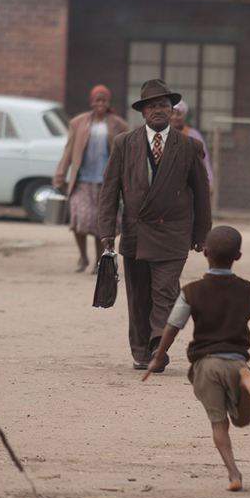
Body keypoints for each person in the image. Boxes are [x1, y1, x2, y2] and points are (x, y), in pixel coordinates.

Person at [142, 226, 250, 491]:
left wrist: (157, 357)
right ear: (238, 256)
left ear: (205, 253)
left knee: (220, 425)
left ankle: (234, 474)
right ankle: (244, 378)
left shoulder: (192, 291)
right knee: (243, 419)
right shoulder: (249, 290)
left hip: (206, 365)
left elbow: (172, 327)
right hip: (236, 361)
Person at [99, 78, 212, 370]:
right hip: (136, 231)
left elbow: (201, 192)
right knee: (138, 297)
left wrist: (202, 234)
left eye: (163, 105)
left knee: (165, 289)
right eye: (152, 106)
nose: (158, 111)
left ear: (173, 110)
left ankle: (158, 340)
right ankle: (141, 351)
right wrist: (107, 231)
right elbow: (110, 189)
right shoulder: (124, 143)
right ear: (143, 112)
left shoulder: (189, 146)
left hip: (173, 232)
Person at [53, 84, 129, 272]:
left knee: (99, 224)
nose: (100, 103)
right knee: (79, 221)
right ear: (91, 102)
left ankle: (98, 261)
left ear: (108, 102)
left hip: (105, 182)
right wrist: (60, 174)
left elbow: (126, 154)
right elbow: (68, 150)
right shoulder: (78, 123)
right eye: (97, 100)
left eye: (104, 100)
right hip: (82, 181)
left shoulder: (118, 124)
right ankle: (83, 257)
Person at [170, 101, 213, 186]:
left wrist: (209, 181)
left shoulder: (193, 135)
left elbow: (204, 159)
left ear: (184, 116)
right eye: (172, 114)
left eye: (178, 114)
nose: (175, 117)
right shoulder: (162, 134)